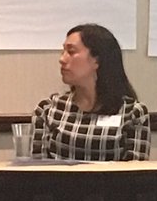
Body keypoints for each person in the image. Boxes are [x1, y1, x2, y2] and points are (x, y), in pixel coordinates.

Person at [30, 24, 150, 161]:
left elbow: (136, 170)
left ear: (97, 60)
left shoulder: (133, 113)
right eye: (63, 52)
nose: (62, 59)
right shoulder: (48, 109)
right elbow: (38, 168)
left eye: (71, 52)